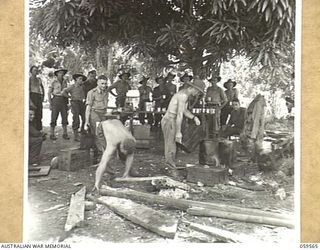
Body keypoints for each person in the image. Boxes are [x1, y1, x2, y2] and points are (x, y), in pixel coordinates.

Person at [161, 78, 205, 170]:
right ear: (194, 89)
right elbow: (179, 114)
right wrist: (178, 132)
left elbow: (184, 110)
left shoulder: (185, 94)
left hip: (172, 120)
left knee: (173, 145)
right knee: (171, 146)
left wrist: (194, 117)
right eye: (198, 92)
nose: (197, 94)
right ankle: (170, 168)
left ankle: (171, 165)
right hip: (169, 120)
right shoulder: (183, 96)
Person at [93, 119, 136, 191]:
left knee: (125, 154)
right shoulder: (113, 143)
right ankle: (110, 174)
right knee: (108, 156)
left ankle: (128, 173)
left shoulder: (132, 140)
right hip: (103, 127)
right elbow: (103, 162)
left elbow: (130, 156)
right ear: (121, 146)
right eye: (123, 151)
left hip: (116, 122)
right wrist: (97, 182)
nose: (124, 153)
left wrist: (126, 173)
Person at [85, 75, 109, 162]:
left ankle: (100, 153)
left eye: (105, 84)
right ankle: (101, 153)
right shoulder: (91, 93)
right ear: (98, 82)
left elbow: (105, 105)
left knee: (103, 133)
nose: (104, 85)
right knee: (98, 133)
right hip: (94, 113)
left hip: (103, 114)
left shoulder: (106, 92)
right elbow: (88, 107)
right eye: (102, 83)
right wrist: (86, 121)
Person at [62, 73, 87, 141]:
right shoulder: (72, 87)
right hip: (75, 103)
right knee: (76, 119)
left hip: (81, 102)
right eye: (80, 79)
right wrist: (69, 97)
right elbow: (64, 92)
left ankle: (82, 130)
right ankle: (76, 136)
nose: (81, 80)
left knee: (85, 117)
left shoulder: (82, 87)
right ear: (76, 79)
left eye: (82, 79)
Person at [48, 68, 70, 140]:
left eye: (63, 73)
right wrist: (50, 103)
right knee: (54, 117)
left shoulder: (65, 81)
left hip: (63, 100)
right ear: (57, 74)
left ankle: (65, 133)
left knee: (64, 116)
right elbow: (49, 93)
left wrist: (67, 103)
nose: (62, 74)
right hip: (56, 99)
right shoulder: (53, 81)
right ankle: (52, 134)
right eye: (60, 73)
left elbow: (66, 92)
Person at [29, 66, 45, 131]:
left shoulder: (39, 79)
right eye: (34, 70)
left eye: (37, 70)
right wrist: (30, 102)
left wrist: (43, 96)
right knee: (33, 114)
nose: (36, 71)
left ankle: (39, 130)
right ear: (31, 71)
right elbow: (28, 91)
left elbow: (42, 88)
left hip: (39, 97)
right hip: (32, 96)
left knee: (39, 114)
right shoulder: (29, 80)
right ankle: (33, 131)